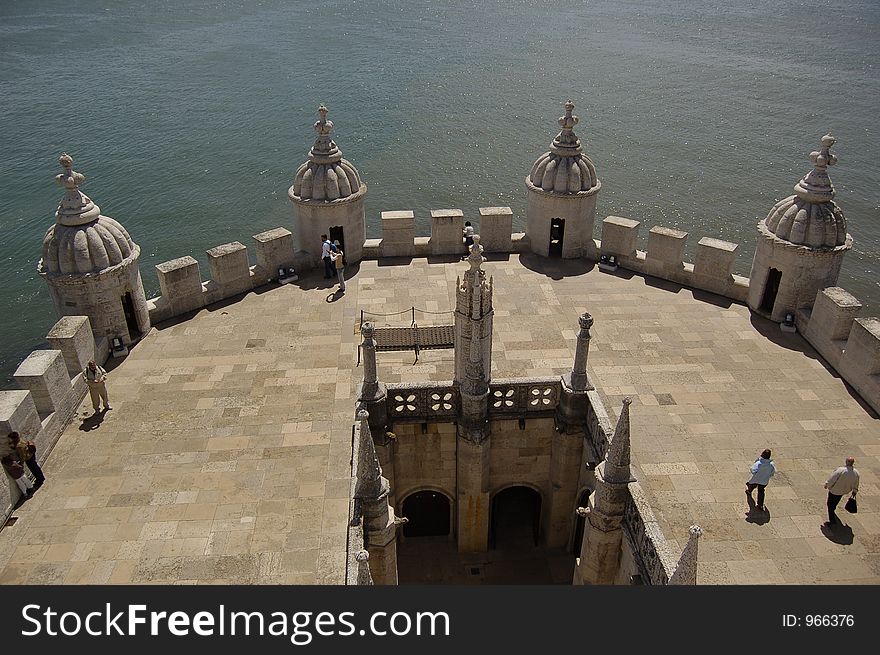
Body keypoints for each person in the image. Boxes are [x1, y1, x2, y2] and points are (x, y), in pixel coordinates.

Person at [824, 456, 859, 526]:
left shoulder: (840, 470)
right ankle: (833, 508)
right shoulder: (856, 473)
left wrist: (827, 484)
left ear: (846, 462)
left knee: (830, 504)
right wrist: (855, 490)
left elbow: (832, 478)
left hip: (834, 490)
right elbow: (856, 483)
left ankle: (832, 520)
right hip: (843, 491)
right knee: (836, 500)